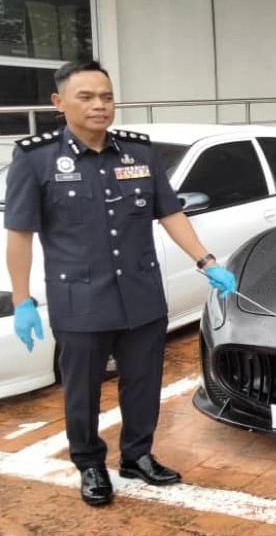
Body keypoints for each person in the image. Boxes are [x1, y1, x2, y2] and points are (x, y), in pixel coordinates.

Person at [5, 60, 237, 507]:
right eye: (86, 97)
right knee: (82, 390)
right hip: (80, 301)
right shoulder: (36, 159)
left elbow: (169, 211)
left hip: (141, 295)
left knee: (143, 382)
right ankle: (90, 463)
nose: (99, 106)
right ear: (59, 103)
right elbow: (19, 234)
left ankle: (137, 456)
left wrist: (206, 260)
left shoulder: (139, 153)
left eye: (107, 97)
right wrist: (22, 300)